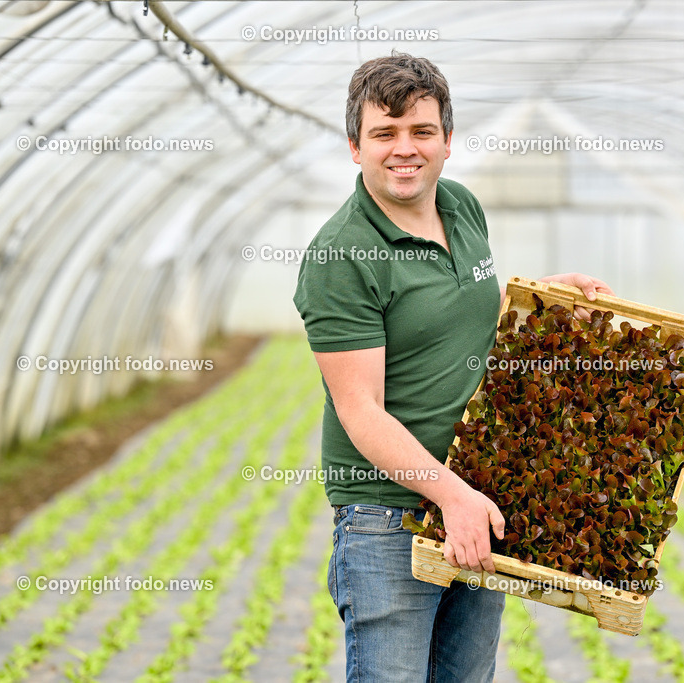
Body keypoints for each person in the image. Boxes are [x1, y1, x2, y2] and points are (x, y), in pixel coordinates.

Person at [293, 52, 613, 683]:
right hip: (390, 520)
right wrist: (451, 495)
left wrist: (539, 297)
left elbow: (465, 307)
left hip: (474, 495)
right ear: (355, 147)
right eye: (384, 133)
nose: (404, 149)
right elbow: (361, 410)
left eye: (422, 131)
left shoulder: (460, 206)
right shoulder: (341, 256)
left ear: (446, 141)